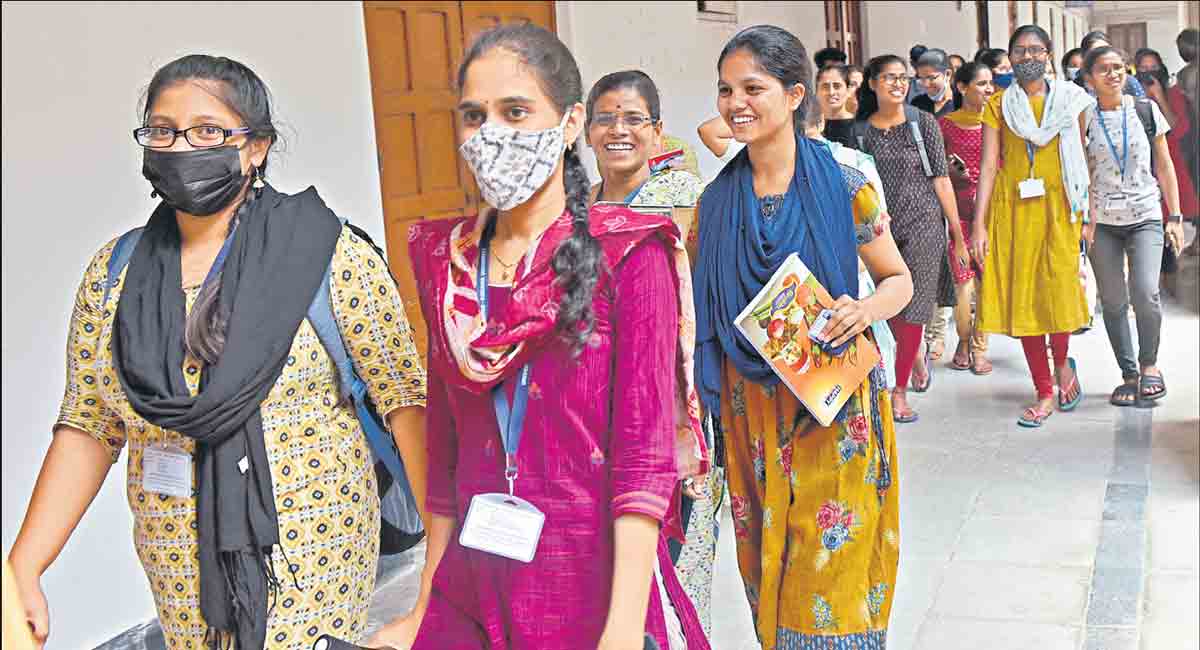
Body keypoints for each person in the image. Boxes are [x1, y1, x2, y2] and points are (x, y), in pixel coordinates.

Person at [8, 54, 429, 649]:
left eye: (208, 131)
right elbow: (88, 423)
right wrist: (24, 566)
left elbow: (407, 407)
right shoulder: (114, 274)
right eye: (162, 130)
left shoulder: (328, 255)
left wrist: (442, 572)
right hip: (175, 554)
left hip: (311, 544)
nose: (182, 147)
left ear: (256, 147)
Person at [373, 24, 711, 650]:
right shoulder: (447, 264)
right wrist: (423, 605)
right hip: (472, 578)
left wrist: (621, 630)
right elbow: (445, 451)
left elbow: (644, 454)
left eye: (516, 111)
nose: (491, 133)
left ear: (569, 122)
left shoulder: (628, 254)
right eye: (474, 116)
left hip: (587, 581)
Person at [692, 24, 912, 650]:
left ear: (793, 95)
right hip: (751, 411)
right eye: (726, 89)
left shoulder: (844, 183)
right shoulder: (715, 203)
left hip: (834, 409)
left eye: (753, 87)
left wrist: (863, 310)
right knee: (772, 572)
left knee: (831, 578)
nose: (736, 103)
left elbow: (897, 280)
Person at [582, 68, 718, 636]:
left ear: (658, 132)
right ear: (585, 132)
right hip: (593, 417)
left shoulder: (689, 202)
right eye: (605, 118)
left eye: (634, 119)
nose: (619, 130)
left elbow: (711, 299)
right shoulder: (575, 210)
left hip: (674, 408)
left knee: (680, 570)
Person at [972, 25, 1096, 428]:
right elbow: (989, 166)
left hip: (1060, 207)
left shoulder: (1072, 100)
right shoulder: (998, 104)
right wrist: (979, 225)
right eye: (1019, 51)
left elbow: (1081, 159)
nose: (1028, 57)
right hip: (1013, 210)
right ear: (1009, 57)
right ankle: (1044, 390)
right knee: (1024, 297)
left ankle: (1062, 366)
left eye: (1035, 49)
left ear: (1049, 54)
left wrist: (1087, 213)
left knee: (1056, 293)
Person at [856, 54, 967, 422]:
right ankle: (909, 360)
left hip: (924, 224)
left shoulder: (924, 124)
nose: (898, 84)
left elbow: (940, 178)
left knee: (915, 310)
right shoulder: (862, 132)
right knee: (887, 310)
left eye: (903, 78)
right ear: (872, 83)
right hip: (880, 231)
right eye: (889, 78)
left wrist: (958, 233)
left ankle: (898, 391)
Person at [1081, 46, 1184, 405]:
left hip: (1145, 216)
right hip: (1103, 223)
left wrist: (1175, 215)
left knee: (1145, 293)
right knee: (1111, 301)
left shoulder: (1145, 110)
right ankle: (1127, 374)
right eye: (1104, 70)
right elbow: (1081, 172)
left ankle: (1149, 365)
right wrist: (1085, 220)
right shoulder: (1085, 118)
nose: (1113, 74)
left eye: (1118, 68)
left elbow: (1165, 164)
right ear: (1089, 78)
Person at [938, 61, 995, 375]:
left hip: (988, 216)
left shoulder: (997, 123)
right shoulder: (945, 125)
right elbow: (935, 172)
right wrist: (952, 172)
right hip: (956, 217)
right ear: (961, 87)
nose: (989, 89)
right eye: (981, 83)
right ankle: (962, 337)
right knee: (963, 287)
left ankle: (980, 347)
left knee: (987, 286)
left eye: (990, 83)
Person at [1077, 31, 1146, 97]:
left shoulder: (1128, 82)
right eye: (1095, 52)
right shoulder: (1075, 87)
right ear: (1084, 57)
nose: (1102, 56)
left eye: (1106, 50)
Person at [816, 64, 857, 147]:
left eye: (837, 86)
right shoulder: (809, 129)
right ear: (817, 92)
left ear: (848, 90)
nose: (831, 92)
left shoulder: (861, 129)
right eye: (825, 86)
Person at [912, 48, 956, 118]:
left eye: (931, 78)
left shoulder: (961, 102)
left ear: (947, 74)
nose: (926, 84)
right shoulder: (917, 104)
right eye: (922, 78)